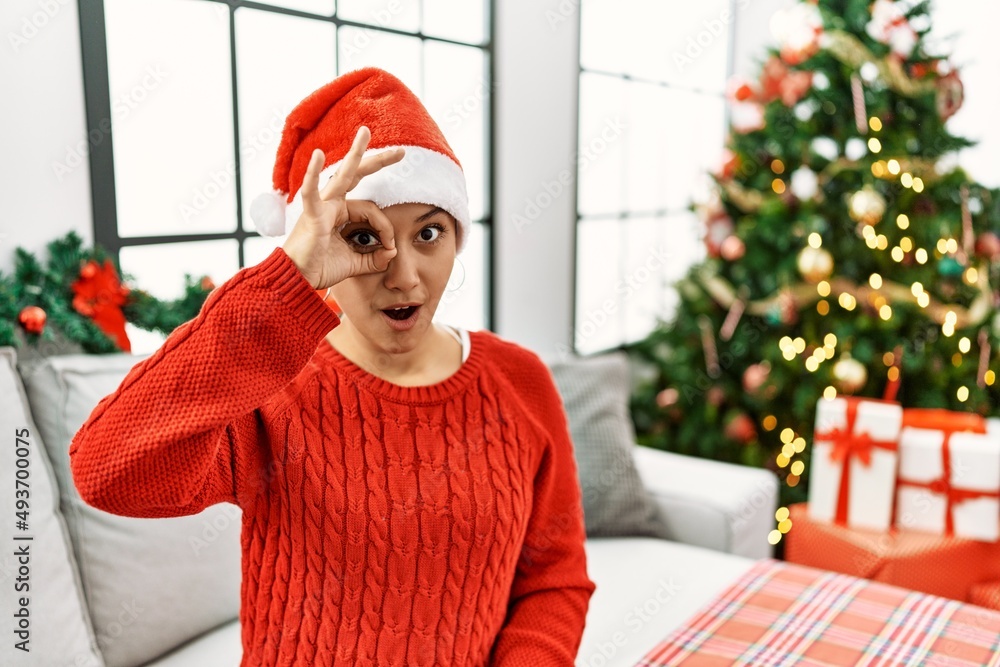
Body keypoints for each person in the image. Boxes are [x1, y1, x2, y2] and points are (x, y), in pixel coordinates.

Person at [68, 67, 596, 666]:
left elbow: (554, 577)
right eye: (365, 240)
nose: (404, 276)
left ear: (457, 237)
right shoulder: (272, 386)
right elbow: (106, 470)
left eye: (429, 232)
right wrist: (283, 280)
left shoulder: (520, 381)